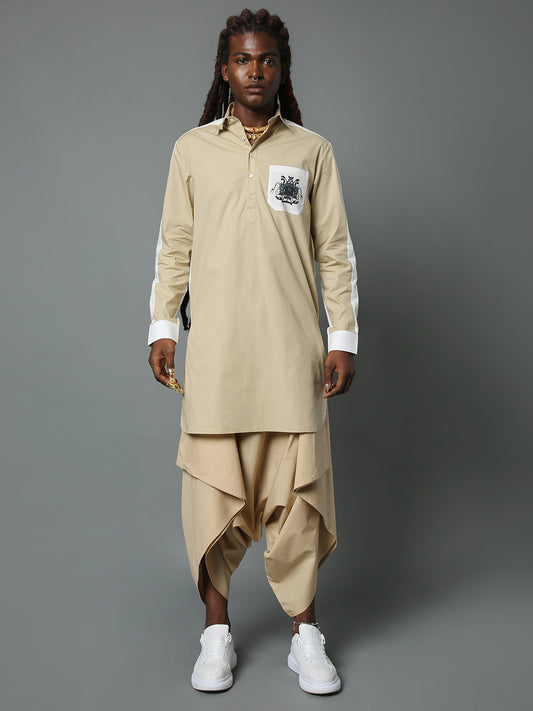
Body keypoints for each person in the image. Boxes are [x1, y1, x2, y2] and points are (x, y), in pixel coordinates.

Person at [147, 8, 358, 695]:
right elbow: (173, 245)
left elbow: (335, 252)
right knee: (213, 493)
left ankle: (305, 637)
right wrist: (162, 327)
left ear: (281, 69)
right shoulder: (191, 150)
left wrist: (342, 337)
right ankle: (216, 633)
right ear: (224, 69)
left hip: (292, 355)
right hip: (217, 356)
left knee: (298, 496)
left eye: (267, 59)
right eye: (243, 59)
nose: (255, 70)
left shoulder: (311, 151)